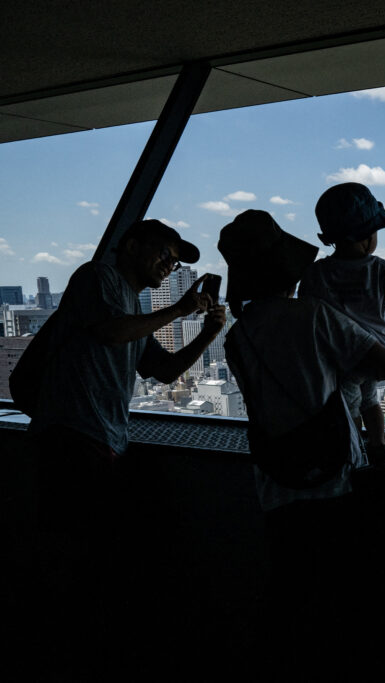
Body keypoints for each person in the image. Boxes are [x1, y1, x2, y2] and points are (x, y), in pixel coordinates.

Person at [28, 218, 226, 674]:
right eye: (164, 253)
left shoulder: (134, 306)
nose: (168, 264)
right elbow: (110, 332)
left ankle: (78, 644)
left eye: (175, 261)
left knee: (89, 550)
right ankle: (54, 647)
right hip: (71, 433)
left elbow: (164, 371)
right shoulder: (96, 278)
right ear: (131, 244)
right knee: (71, 548)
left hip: (101, 439)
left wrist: (208, 334)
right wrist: (178, 310)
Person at [218, 209, 385, 671]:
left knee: (289, 587)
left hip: (274, 476)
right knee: (339, 591)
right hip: (332, 471)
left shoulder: (238, 337)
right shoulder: (314, 316)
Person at [299, 182, 385, 466]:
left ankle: (354, 452)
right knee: (371, 400)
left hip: (343, 354)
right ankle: (378, 445)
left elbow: (308, 307)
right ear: (367, 237)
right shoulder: (380, 268)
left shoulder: (318, 272)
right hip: (378, 351)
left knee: (349, 404)